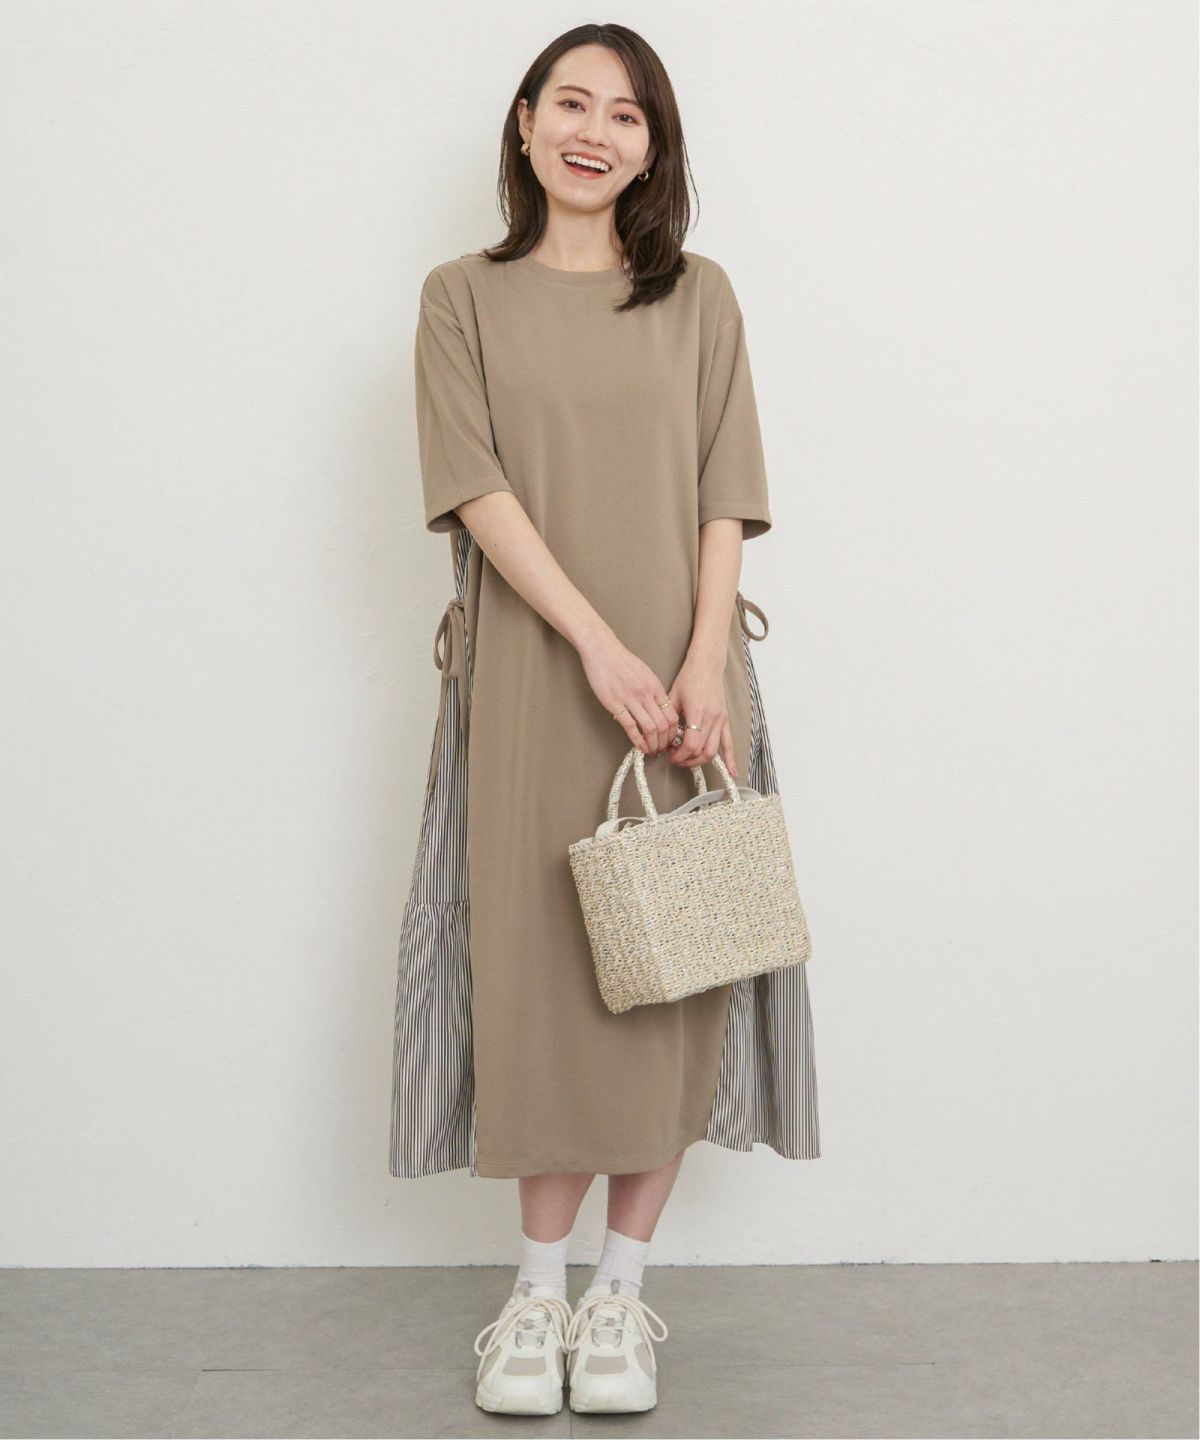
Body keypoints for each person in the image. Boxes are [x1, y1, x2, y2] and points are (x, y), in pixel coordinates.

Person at [395, 21, 821, 1417]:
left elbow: (725, 490)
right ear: (524, 125)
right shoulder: (461, 297)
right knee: (539, 978)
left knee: (678, 969)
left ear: (652, 148)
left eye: (626, 114)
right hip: (536, 677)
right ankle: (534, 1299)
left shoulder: (699, 296)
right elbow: (474, 487)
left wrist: (700, 662)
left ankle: (621, 1297)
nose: (595, 131)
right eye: (570, 104)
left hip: (688, 690)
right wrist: (594, 645)